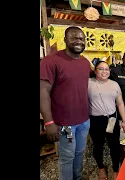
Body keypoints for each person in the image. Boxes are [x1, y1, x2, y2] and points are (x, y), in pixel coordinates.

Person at [40, 26, 91, 180]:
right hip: (66, 124)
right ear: (65, 40)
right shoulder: (51, 61)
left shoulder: (85, 62)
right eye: (74, 38)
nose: (78, 42)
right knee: (67, 156)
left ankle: (78, 177)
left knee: (79, 153)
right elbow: (42, 92)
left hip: (84, 121)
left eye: (81, 39)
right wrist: (49, 122)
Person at [88, 61, 125, 180]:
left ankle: (116, 169)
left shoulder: (114, 84)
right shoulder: (88, 83)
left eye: (106, 69)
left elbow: (120, 103)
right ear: (95, 71)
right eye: (101, 69)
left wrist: (124, 120)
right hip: (95, 120)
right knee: (97, 145)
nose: (104, 72)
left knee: (114, 145)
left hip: (112, 119)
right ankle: (101, 168)